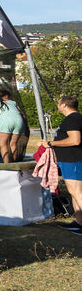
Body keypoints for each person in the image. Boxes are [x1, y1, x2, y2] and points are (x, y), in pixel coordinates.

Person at [44, 96, 82, 236]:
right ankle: (79, 223)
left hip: (73, 160)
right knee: (73, 192)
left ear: (65, 104)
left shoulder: (73, 118)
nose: (58, 105)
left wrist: (51, 143)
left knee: (77, 192)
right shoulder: (73, 118)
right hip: (69, 160)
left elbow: (75, 140)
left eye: (59, 103)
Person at [0, 89, 27, 163]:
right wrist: (25, 124)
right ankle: (14, 162)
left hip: (6, 122)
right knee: (13, 144)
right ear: (6, 96)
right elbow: (23, 114)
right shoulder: (13, 102)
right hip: (19, 121)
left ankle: (6, 164)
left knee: (3, 144)